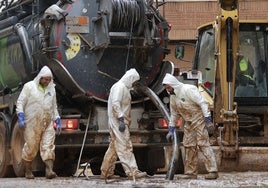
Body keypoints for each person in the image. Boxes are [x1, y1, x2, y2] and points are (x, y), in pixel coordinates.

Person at [162, 73, 218, 180]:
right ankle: (191, 172)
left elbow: (202, 103)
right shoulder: (173, 97)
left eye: (169, 87)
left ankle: (213, 171)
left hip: (198, 118)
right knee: (189, 145)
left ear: (174, 85)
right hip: (188, 121)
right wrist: (171, 129)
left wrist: (207, 119)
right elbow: (174, 113)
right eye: (166, 88)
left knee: (203, 143)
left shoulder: (188, 90)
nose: (168, 90)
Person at [100, 68, 147, 179]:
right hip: (118, 122)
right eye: (134, 81)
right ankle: (132, 172)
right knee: (125, 146)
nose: (135, 84)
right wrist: (121, 119)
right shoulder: (119, 87)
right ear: (130, 79)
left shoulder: (123, 88)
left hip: (119, 121)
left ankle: (105, 172)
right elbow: (116, 103)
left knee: (114, 148)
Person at [16, 66, 61, 179]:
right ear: (40, 77)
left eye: (49, 79)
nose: (47, 81)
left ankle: (49, 170)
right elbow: (20, 102)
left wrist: (57, 119)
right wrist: (21, 116)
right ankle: (28, 170)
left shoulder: (52, 89)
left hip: (47, 122)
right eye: (45, 79)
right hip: (31, 123)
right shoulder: (29, 87)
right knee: (31, 147)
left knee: (48, 145)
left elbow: (54, 106)